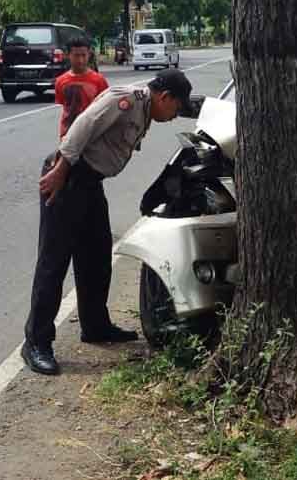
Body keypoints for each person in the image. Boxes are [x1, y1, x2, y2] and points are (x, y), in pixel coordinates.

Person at [22, 68, 195, 375]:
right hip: (68, 177)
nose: (175, 114)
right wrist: (61, 170)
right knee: (54, 261)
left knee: (97, 255)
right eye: (176, 107)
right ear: (165, 97)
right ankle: (36, 343)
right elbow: (82, 126)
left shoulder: (145, 107)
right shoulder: (126, 98)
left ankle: (95, 325)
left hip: (89, 183)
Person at [55, 37, 108, 139]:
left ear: (89, 55)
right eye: (76, 56)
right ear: (68, 55)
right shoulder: (60, 81)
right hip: (68, 134)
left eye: (83, 55)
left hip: (93, 134)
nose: (80, 60)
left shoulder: (99, 80)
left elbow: (105, 107)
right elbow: (65, 105)